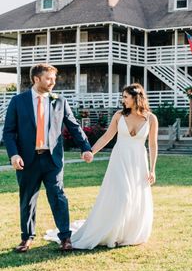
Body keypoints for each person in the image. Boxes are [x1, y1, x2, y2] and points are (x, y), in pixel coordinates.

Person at [44, 83, 158, 249]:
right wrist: (91, 152)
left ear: (136, 97)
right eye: (123, 96)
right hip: (120, 160)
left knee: (135, 197)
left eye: (126, 97)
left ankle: (126, 234)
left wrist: (152, 169)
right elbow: (106, 137)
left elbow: (153, 145)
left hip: (139, 162)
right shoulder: (119, 116)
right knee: (123, 195)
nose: (123, 100)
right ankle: (112, 233)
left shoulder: (151, 118)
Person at [2, 63, 94, 253]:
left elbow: (74, 126)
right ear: (36, 79)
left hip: (52, 160)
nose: (53, 82)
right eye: (49, 78)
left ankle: (65, 238)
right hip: (27, 160)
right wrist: (14, 154)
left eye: (54, 78)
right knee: (27, 199)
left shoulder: (59, 100)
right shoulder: (18, 101)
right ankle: (26, 238)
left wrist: (85, 147)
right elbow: (9, 132)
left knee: (59, 197)